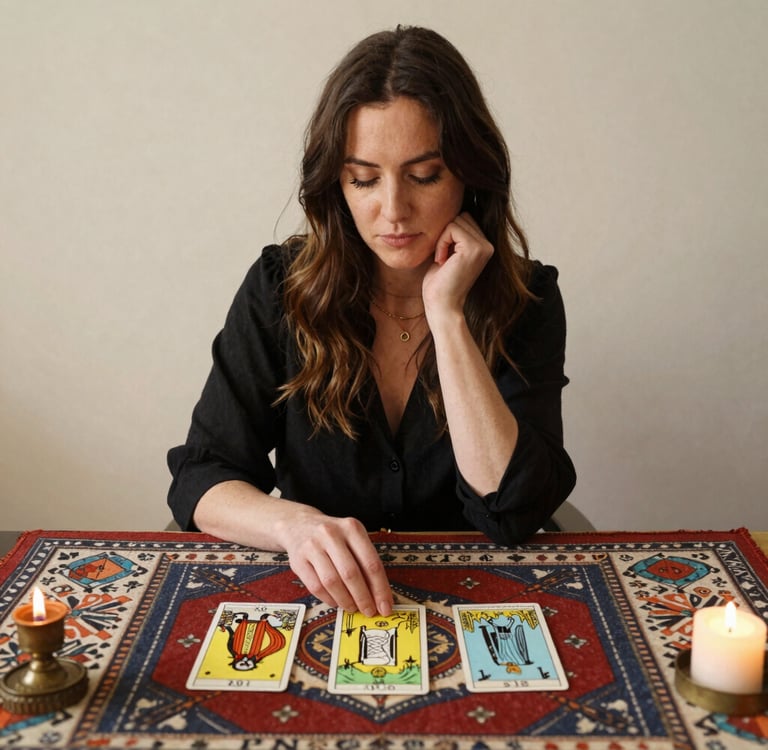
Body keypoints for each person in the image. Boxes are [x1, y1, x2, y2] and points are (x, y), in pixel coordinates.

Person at [167, 25, 576, 619]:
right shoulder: (280, 287)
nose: (393, 210)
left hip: (482, 603)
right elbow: (203, 476)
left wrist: (448, 314)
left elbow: (510, 508)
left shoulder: (529, 298)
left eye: (424, 175)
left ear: (468, 173)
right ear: (337, 182)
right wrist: (294, 524)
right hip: (319, 601)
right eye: (364, 179)